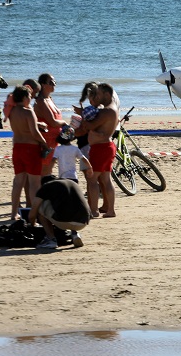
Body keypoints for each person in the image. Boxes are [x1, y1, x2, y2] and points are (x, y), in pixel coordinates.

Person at [8, 86, 49, 221]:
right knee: (34, 183)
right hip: (31, 149)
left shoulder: (12, 111)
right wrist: (44, 142)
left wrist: (38, 124)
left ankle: (14, 212)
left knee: (18, 181)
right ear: (25, 97)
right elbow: (34, 132)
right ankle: (35, 212)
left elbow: (26, 126)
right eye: (29, 96)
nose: (31, 98)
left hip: (18, 148)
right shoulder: (28, 111)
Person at [80, 83, 120, 217]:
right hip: (105, 146)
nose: (97, 97)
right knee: (106, 179)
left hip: (101, 147)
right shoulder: (111, 108)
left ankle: (94, 210)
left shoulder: (106, 111)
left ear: (107, 95)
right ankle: (110, 210)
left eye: (99, 94)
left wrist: (82, 116)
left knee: (92, 179)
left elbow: (90, 125)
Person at [29, 175, 90, 249]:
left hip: (64, 221)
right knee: (70, 203)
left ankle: (51, 239)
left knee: (40, 206)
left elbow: (32, 214)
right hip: (83, 222)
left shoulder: (45, 186)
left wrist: (32, 224)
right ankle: (74, 234)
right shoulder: (72, 183)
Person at [33, 73, 67, 176]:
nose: (54, 84)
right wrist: (64, 123)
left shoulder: (49, 99)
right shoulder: (41, 101)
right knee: (44, 171)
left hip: (54, 141)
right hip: (45, 142)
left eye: (55, 82)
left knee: (49, 170)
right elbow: (52, 121)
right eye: (51, 82)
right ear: (43, 85)